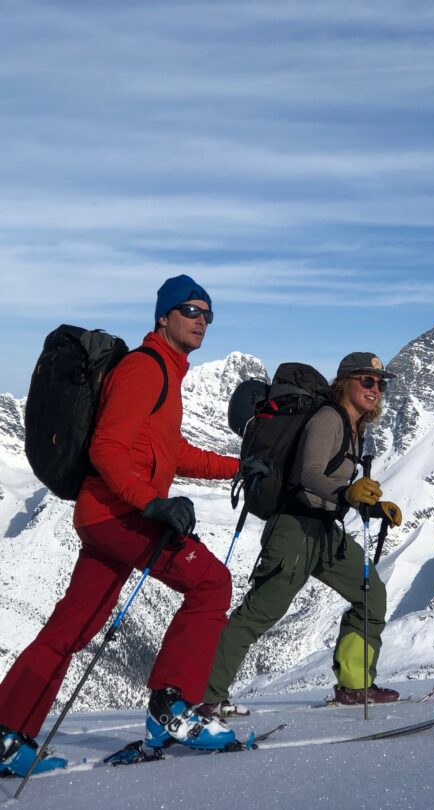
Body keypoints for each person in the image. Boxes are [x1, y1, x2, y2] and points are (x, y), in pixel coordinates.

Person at [0, 274, 240, 777]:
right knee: (211, 582)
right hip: (118, 515)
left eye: (207, 314)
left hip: (105, 517)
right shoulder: (144, 369)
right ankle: (171, 708)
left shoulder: (167, 374)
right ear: (164, 317)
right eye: (191, 311)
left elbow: (172, 453)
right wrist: (153, 504)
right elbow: (106, 449)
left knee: (72, 627)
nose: (201, 321)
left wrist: (239, 467)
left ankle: (5, 733)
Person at [201, 352, 403, 717]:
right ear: (344, 382)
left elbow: (333, 483)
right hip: (294, 528)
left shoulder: (355, 427)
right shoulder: (328, 419)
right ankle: (207, 697)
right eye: (367, 381)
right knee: (259, 613)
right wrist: (347, 494)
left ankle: (355, 687)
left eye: (380, 384)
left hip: (325, 528)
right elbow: (308, 474)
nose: (376, 389)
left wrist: (371, 506)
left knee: (371, 594)